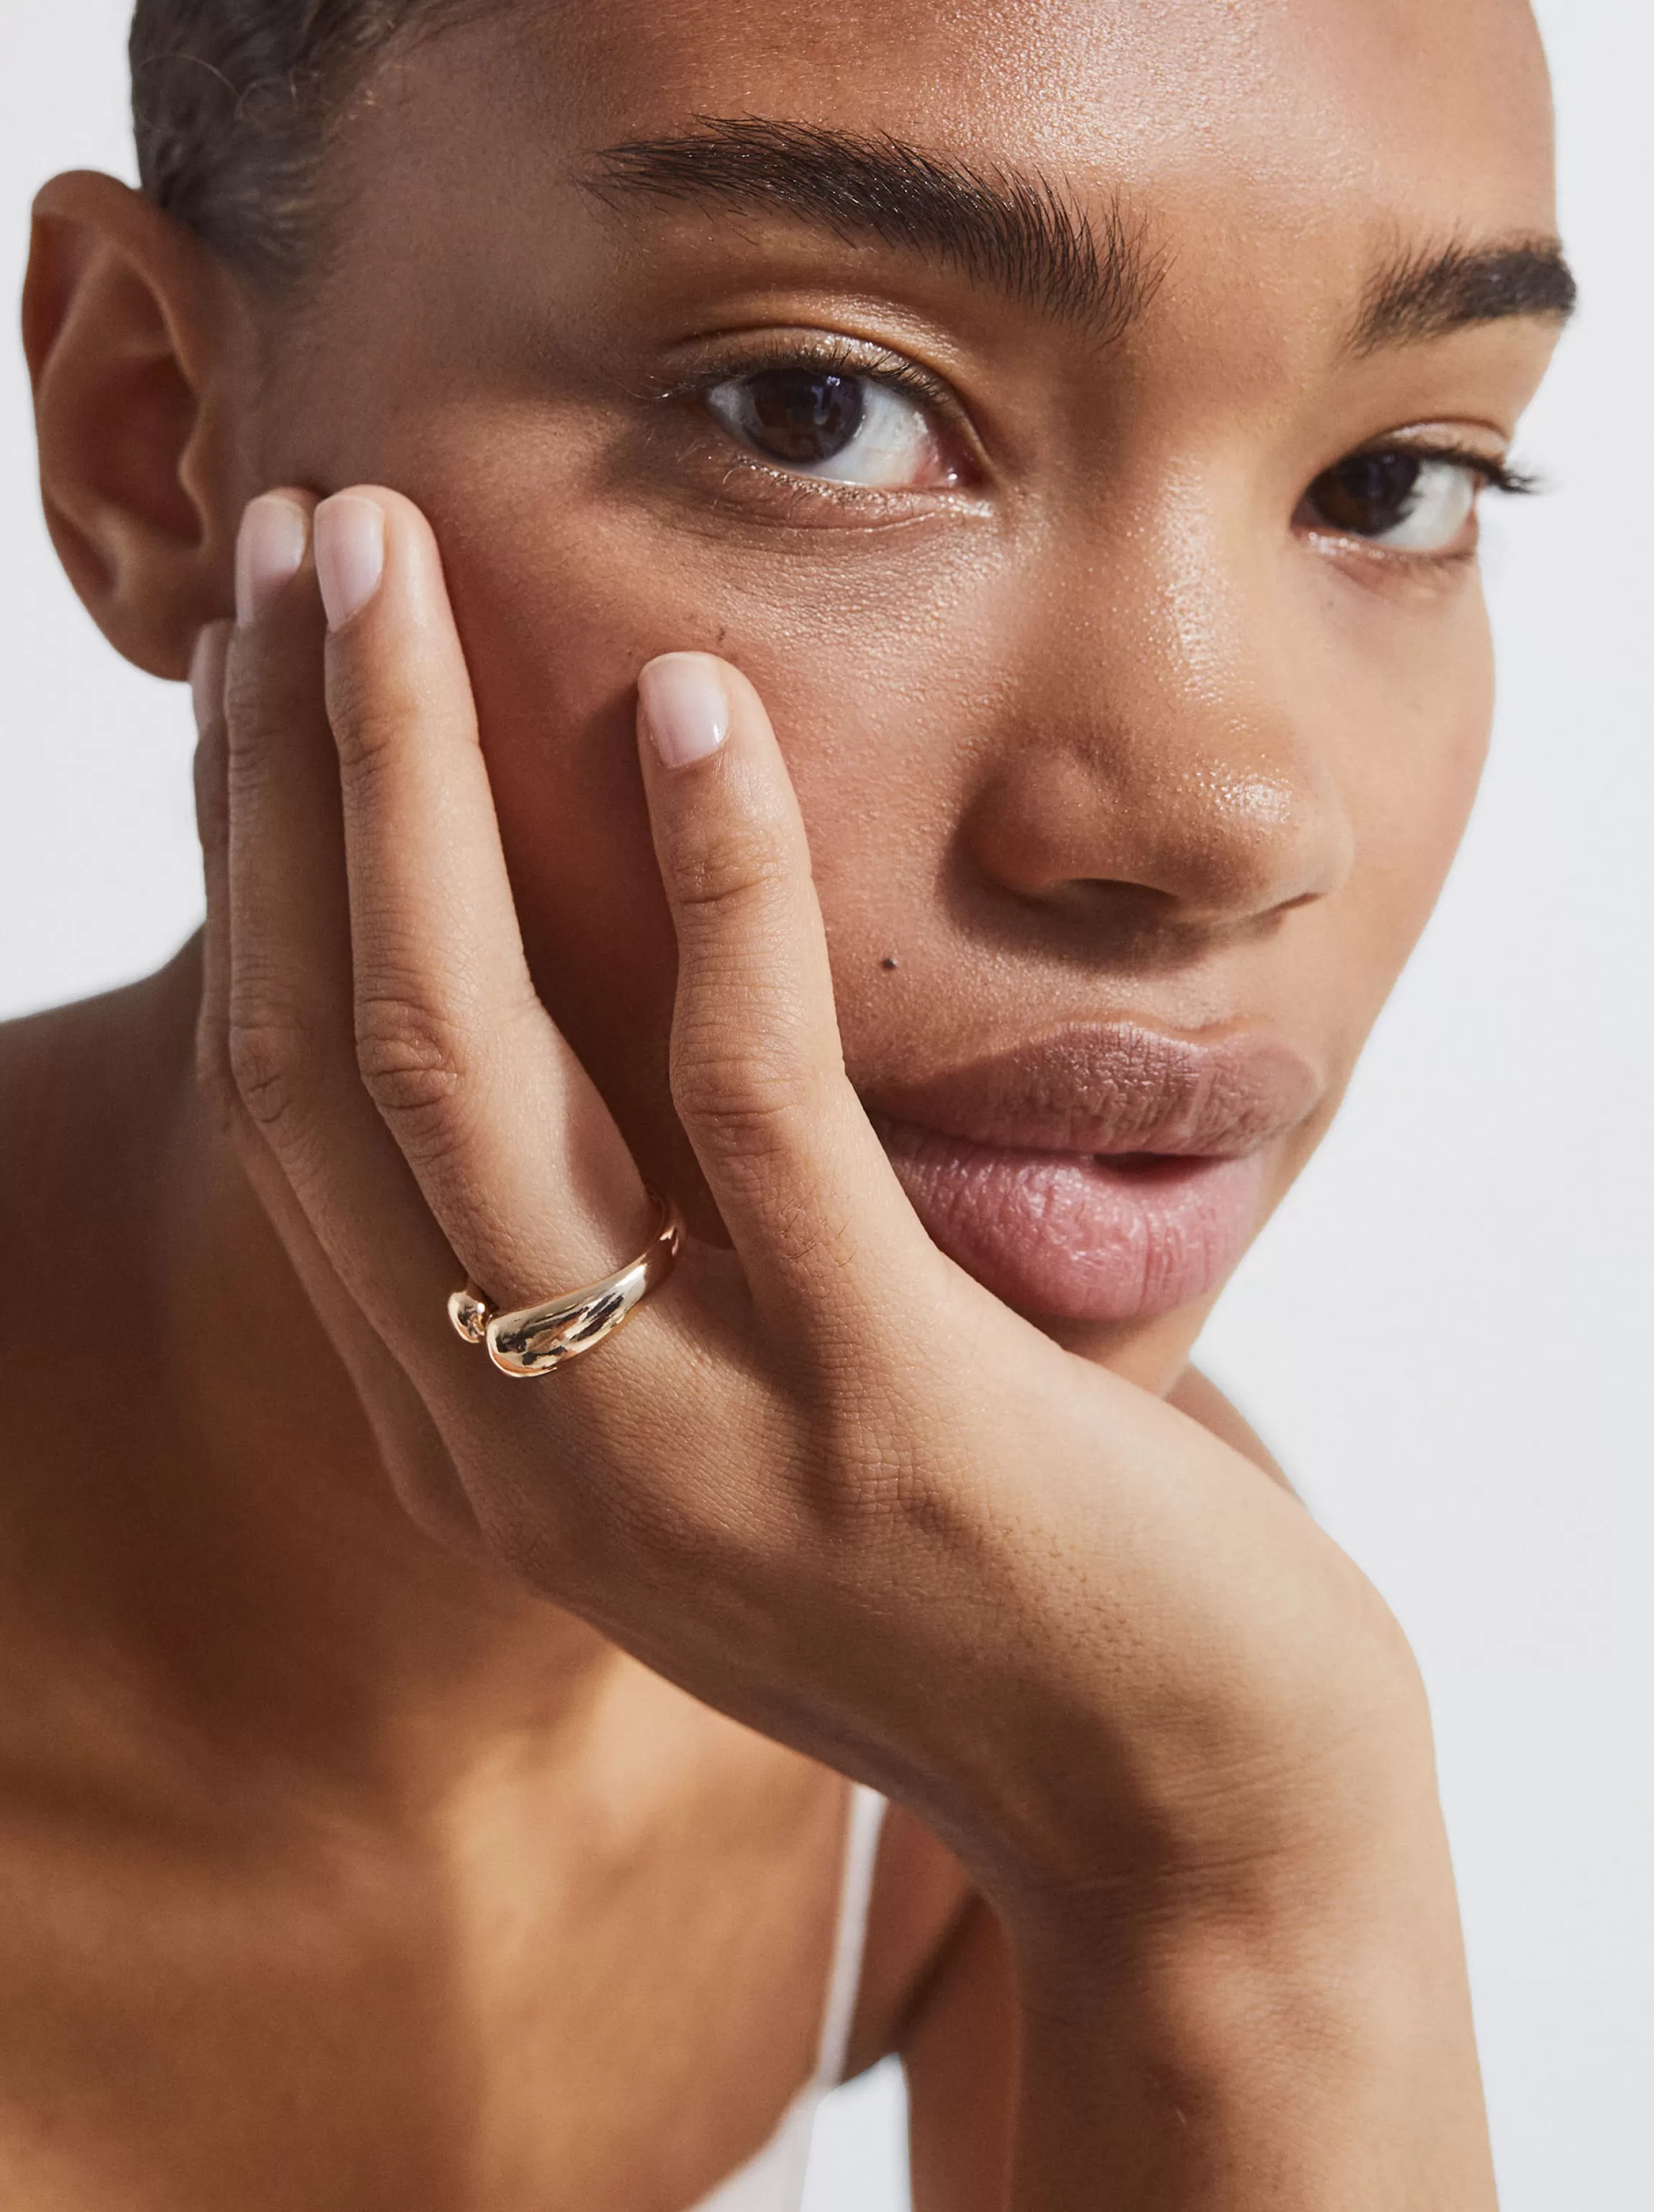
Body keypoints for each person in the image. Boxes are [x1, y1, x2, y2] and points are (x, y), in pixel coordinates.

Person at [0, 0, 1576, 2204]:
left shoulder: (1064, 1610)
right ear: (154, 438)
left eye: (1395, 483)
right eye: (815, 409)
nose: (1227, 813)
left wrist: (1247, 1872)